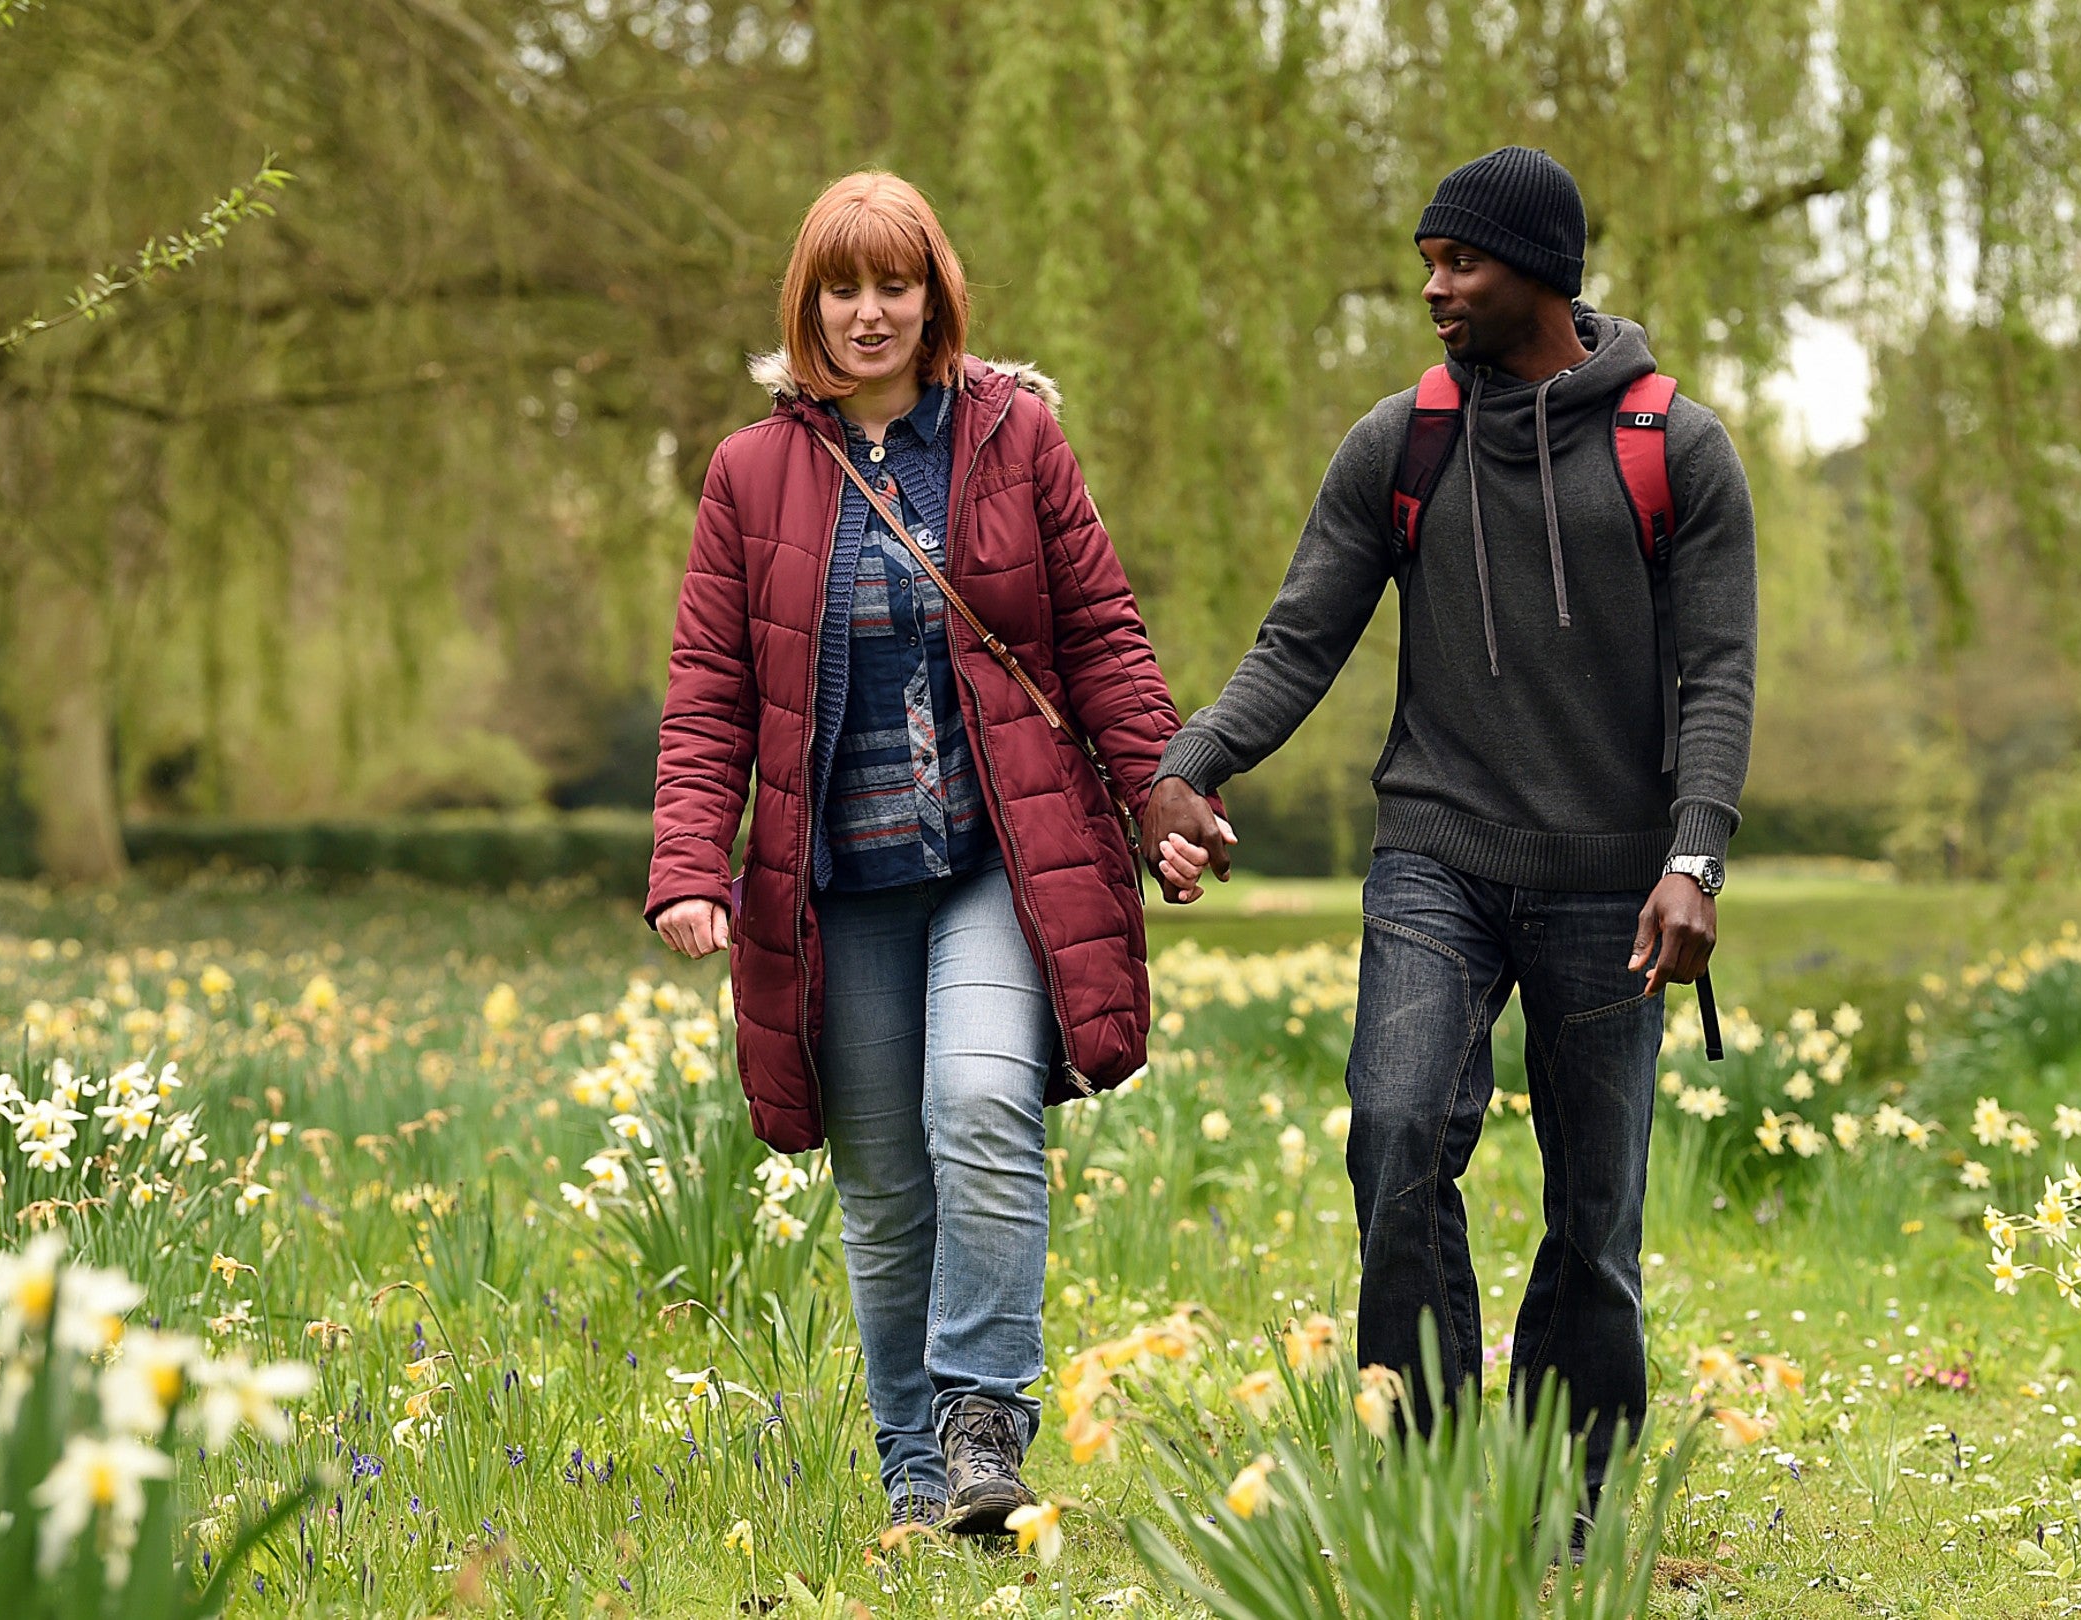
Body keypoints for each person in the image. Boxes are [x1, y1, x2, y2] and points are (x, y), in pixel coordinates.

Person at [1143, 147, 1757, 1500]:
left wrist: (1694, 858)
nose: (1432, 286)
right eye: (1428, 260)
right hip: (1439, 860)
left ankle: (1564, 1496)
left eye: (1456, 261)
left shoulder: (1677, 447)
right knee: (1398, 1128)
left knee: (1596, 1218)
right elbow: (1301, 637)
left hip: (1615, 886)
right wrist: (1190, 763)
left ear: (1536, 269)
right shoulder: (1403, 440)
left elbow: (1719, 673)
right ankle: (1426, 1479)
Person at [644, 171, 1211, 1535]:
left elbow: (1103, 637)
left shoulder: (1016, 441)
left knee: (977, 1106)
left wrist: (1164, 794)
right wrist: (686, 864)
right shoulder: (749, 473)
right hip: (837, 884)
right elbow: (712, 686)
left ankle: (981, 1417)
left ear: (935, 293)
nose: (868, 311)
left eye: (893, 283)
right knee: (886, 1181)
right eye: (842, 287)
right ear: (809, 305)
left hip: (992, 862)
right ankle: (914, 1472)